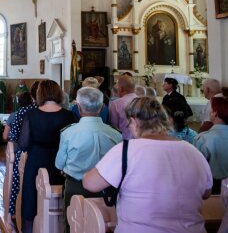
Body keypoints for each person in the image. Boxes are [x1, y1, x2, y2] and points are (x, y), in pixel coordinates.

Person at [83, 97, 212, 233]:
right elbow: (206, 192)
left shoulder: (127, 150)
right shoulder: (192, 151)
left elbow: (91, 184)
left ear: (133, 121)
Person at [56, 87, 122, 233]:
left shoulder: (69, 132)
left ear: (78, 107)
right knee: (104, 227)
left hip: (75, 186)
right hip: (106, 189)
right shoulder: (115, 134)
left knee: (72, 226)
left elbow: (59, 163)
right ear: (102, 107)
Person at [19, 80, 77, 233]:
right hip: (61, 163)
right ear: (58, 93)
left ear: (40, 94)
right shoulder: (69, 115)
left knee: (31, 203)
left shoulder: (31, 115)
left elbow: (23, 144)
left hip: (36, 161)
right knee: (59, 202)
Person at [4, 92, 36, 220]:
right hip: (36, 152)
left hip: (21, 152)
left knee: (16, 182)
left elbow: (11, 137)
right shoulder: (36, 111)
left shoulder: (18, 114)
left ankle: (13, 212)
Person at [194, 96, 228, 194]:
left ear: (215, 113)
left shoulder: (203, 138)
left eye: (211, 109)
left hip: (214, 188)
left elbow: (198, 171)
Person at [109, 75, 138, 140]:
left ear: (121, 88)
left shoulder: (116, 104)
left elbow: (113, 127)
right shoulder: (144, 101)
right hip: (141, 141)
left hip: (124, 142)